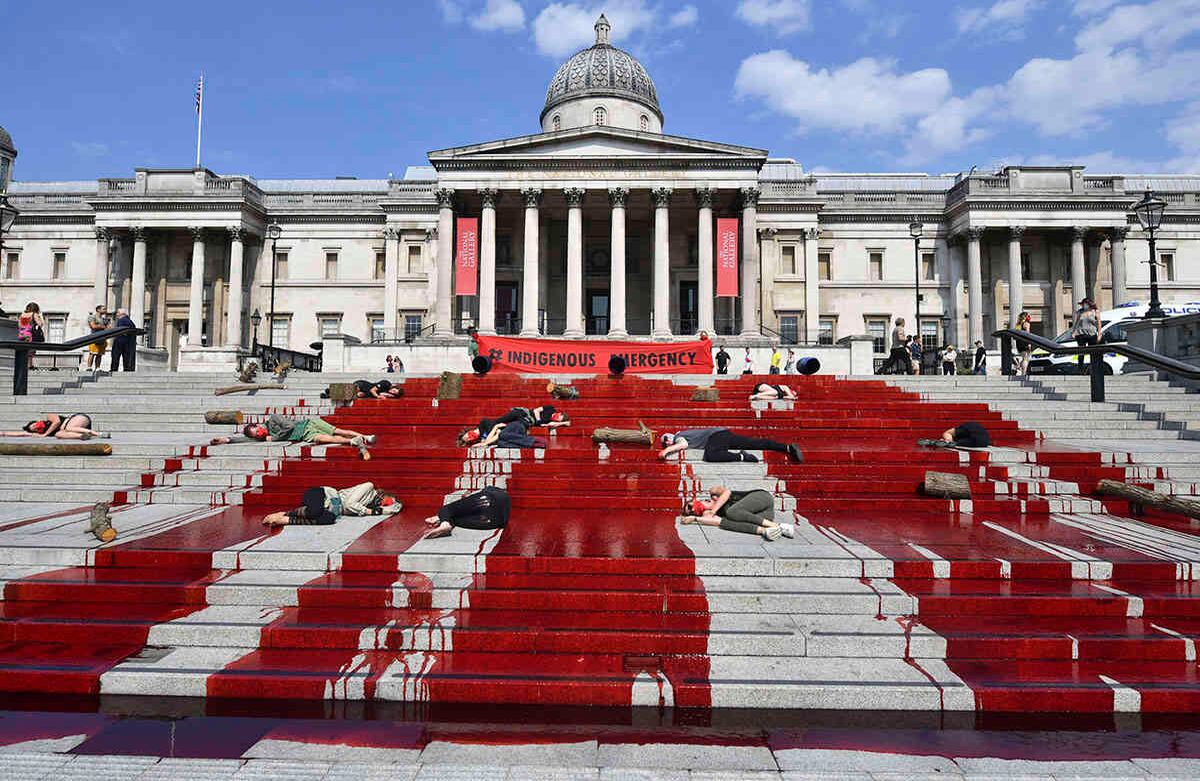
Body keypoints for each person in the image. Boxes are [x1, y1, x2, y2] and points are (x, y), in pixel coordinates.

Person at [681, 485, 794, 541]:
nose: (693, 510)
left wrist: (713, 510)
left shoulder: (714, 493)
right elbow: (720, 522)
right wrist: (696, 519)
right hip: (764, 514)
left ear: (695, 500)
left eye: (690, 506)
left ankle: (775, 526)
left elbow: (727, 492)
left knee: (731, 512)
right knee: (727, 524)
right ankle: (766, 531)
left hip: (761, 498)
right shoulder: (710, 515)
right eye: (691, 512)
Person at [262, 482, 402, 527]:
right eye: (390, 501)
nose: (386, 504)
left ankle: (286, 520)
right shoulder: (369, 486)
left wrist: (385, 510)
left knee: (329, 519)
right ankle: (285, 514)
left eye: (387, 505)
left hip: (331, 509)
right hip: (322, 494)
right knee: (315, 511)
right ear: (385, 494)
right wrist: (373, 512)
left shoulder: (369, 506)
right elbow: (349, 504)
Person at [210, 414, 376, 451]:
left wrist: (274, 438)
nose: (259, 434)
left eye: (258, 430)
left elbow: (289, 427)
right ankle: (353, 442)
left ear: (259, 425)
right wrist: (228, 440)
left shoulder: (273, 419)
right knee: (325, 439)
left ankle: (364, 436)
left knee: (338, 430)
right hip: (304, 435)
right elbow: (246, 440)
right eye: (256, 434)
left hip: (308, 423)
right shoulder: (260, 438)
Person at [659, 427, 803, 464]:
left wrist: (666, 451)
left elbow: (682, 445)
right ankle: (787, 448)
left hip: (715, 437)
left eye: (666, 439)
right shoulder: (683, 435)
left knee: (710, 455)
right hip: (722, 434)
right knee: (753, 443)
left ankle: (741, 456)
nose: (666, 442)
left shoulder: (679, 436)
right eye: (664, 443)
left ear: (671, 435)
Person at [423, 486, 511, 539]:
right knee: (454, 518)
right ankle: (444, 520)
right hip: (498, 520)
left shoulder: (486, 493)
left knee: (447, 509)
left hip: (491, 500)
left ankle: (444, 522)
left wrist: (443, 518)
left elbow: (451, 508)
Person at [458, 406, 570, 447]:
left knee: (503, 433)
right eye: (468, 439)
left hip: (520, 420)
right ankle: (531, 442)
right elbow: (537, 410)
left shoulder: (483, 424)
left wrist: (486, 442)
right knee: (502, 441)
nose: (469, 437)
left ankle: (532, 441)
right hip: (514, 427)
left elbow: (497, 427)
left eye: (467, 435)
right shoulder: (550, 409)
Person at [3, 413, 109, 440]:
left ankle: (98, 434)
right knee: (58, 434)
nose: (35, 427)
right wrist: (2, 433)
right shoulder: (39, 432)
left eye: (34, 425)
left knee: (67, 428)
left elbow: (57, 422)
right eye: (34, 429)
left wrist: (45, 434)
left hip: (78, 419)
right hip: (75, 430)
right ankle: (82, 436)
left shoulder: (49, 417)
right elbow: (20, 433)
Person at [1072, 298, 1100, 374]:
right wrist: (1074, 332)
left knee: (1093, 352)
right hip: (1081, 334)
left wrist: (1099, 334)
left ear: (1089, 304)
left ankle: (1094, 369)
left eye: (1084, 304)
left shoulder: (1095, 312)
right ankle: (1080, 369)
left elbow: (1099, 323)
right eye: (1083, 304)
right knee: (1081, 351)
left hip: (1092, 334)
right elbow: (1077, 322)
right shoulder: (1080, 312)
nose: (1083, 306)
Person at [918, 421, 991, 449]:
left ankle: (949, 442)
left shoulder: (961, 430)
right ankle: (949, 442)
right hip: (985, 441)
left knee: (954, 442)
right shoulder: (966, 429)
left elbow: (946, 433)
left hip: (977, 439)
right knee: (956, 442)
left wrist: (947, 441)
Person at [17, 302, 45, 369]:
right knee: (31, 350)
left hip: (22, 335)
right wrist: (39, 317)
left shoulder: (22, 315)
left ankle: (26, 365)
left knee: (24, 350)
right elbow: (40, 324)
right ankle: (29, 365)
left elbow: (19, 325)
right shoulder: (34, 314)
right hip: (31, 335)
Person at [86, 305, 110, 372]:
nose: (105, 310)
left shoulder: (104, 319)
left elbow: (109, 328)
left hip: (102, 338)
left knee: (99, 354)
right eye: (103, 309)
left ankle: (97, 368)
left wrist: (105, 327)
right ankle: (89, 367)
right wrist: (102, 326)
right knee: (92, 353)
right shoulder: (92, 317)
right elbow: (93, 326)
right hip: (94, 337)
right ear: (98, 310)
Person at [1015, 311, 1033, 376]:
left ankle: (1018, 366)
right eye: (1028, 316)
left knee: (1023, 358)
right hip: (1025, 342)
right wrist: (1029, 343)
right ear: (1025, 317)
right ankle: (1024, 373)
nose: (1029, 317)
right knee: (1026, 359)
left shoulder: (1018, 324)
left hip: (1019, 343)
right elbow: (1027, 334)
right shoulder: (1026, 324)